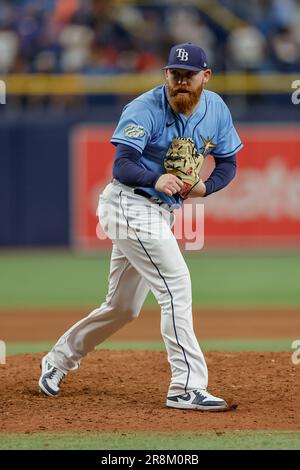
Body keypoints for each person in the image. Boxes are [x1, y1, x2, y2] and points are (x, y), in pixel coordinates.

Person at [39, 43, 243, 411]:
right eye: (174, 74)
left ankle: (56, 360)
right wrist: (157, 178)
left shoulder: (216, 109)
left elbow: (228, 162)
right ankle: (185, 386)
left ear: (205, 76)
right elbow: (123, 165)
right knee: (176, 284)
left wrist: (207, 186)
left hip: (160, 213)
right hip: (128, 204)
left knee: (122, 308)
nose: (181, 81)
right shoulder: (144, 107)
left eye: (189, 75)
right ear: (166, 74)